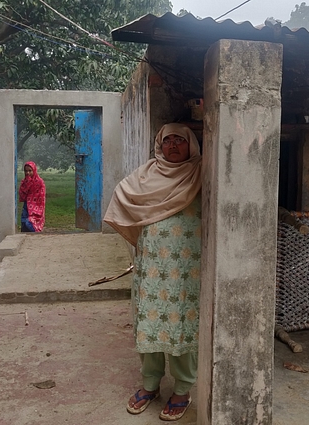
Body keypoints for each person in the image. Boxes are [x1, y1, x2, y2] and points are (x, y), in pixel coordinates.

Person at [104, 123, 202, 421]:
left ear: (191, 145)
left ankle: (183, 389)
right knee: (149, 321)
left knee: (183, 326)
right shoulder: (145, 175)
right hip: (151, 269)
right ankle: (150, 385)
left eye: (180, 140)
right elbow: (123, 196)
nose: (173, 145)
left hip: (187, 271)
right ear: (159, 145)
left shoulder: (201, 174)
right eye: (167, 140)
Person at [19, 161, 46, 232]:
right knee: (24, 223)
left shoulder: (39, 182)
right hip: (26, 206)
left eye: (30, 171)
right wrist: (27, 183)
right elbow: (22, 195)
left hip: (36, 207)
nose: (28, 173)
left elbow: (41, 196)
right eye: (26, 171)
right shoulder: (24, 182)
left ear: (34, 170)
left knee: (30, 223)